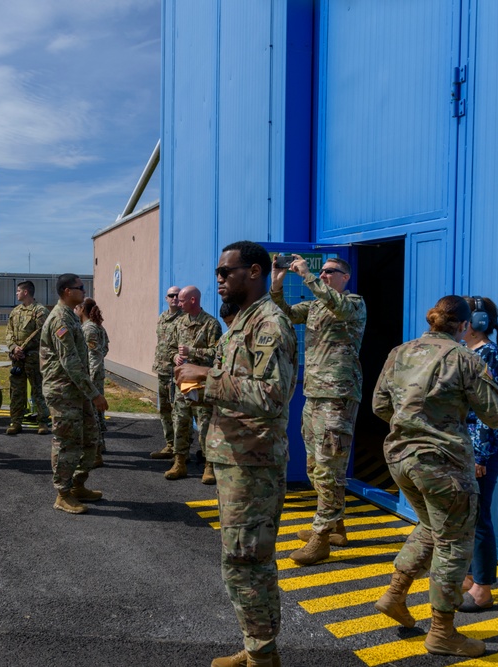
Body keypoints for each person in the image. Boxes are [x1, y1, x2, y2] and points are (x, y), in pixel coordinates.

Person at [371, 295, 498, 657]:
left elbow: (379, 406)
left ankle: (394, 594)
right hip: (443, 464)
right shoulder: (463, 359)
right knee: (454, 544)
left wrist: (413, 425)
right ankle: (442, 632)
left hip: (400, 458)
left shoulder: (399, 352)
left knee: (432, 528)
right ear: (465, 326)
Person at [175, 240, 297, 667]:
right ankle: (256, 647)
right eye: (218, 273)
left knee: (247, 562)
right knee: (241, 560)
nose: (220, 280)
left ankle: (264, 656)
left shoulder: (269, 323)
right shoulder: (242, 324)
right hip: (236, 457)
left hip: (254, 462)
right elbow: (236, 387)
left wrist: (204, 377)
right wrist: (195, 385)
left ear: (256, 272)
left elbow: (272, 395)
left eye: (227, 272)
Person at [271, 254, 367, 565]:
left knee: (329, 466)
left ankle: (321, 537)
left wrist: (307, 275)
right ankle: (336, 524)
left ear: (345, 277)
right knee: (316, 466)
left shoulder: (353, 302)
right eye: (321, 271)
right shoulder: (314, 306)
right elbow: (282, 311)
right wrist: (277, 279)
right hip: (314, 392)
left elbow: (335, 304)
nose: (323, 275)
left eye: (329, 271)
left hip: (338, 395)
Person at [39, 274, 108, 514]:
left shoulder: (70, 316)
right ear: (67, 291)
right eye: (80, 288)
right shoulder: (60, 319)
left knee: (90, 438)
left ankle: (78, 485)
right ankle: (62, 494)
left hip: (77, 390)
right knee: (67, 442)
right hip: (63, 391)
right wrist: (95, 393)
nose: (84, 291)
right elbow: (70, 362)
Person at [458, 296, 498, 612]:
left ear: (478, 322)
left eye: (464, 317)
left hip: (482, 450)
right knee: (466, 516)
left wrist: (479, 455)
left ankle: (483, 589)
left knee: (479, 519)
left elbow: (489, 409)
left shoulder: (489, 354)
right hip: (464, 447)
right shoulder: (468, 352)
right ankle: (468, 577)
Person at [167, 285, 222, 483]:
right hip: (183, 383)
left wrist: (192, 352)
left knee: (205, 425)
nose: (178, 304)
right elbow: (172, 348)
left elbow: (217, 354)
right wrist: (175, 358)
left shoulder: (210, 324)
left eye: (182, 300)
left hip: (201, 384)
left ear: (192, 300)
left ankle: (209, 465)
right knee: (180, 422)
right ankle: (179, 462)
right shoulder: (180, 322)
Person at [6, 280, 51, 436]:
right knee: (17, 391)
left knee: (38, 390)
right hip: (17, 358)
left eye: (18, 291)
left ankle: (43, 421)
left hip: (33, 357)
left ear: (26, 292)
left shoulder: (40, 311)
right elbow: (9, 332)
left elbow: (41, 333)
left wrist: (23, 347)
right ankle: (16, 422)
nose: (16, 293)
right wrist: (13, 348)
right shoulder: (15, 312)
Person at [76, 297, 110, 466]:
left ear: (82, 309)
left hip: (92, 376)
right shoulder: (97, 327)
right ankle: (100, 445)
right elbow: (105, 349)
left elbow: (93, 356)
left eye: (77, 307)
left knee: (91, 414)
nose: (75, 310)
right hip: (97, 375)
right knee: (97, 412)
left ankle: (95, 452)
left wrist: (89, 379)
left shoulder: (88, 328)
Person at [151, 285, 183, 459]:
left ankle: (181, 448)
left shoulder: (184, 319)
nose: (175, 298)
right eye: (171, 295)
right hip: (162, 370)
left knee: (178, 411)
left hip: (176, 372)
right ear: (166, 298)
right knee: (164, 409)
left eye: (178, 295)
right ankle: (169, 444)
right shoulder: (162, 318)